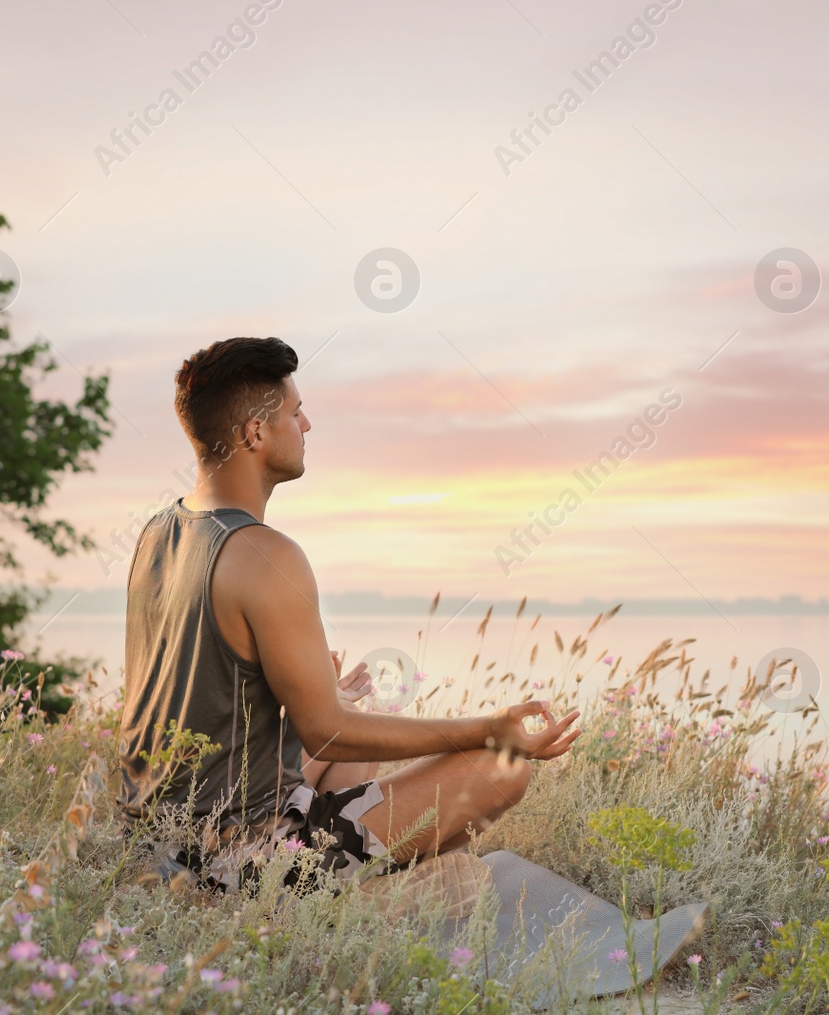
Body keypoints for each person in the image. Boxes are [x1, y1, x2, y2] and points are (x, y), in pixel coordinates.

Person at [118, 336, 581, 889]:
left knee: (354, 755)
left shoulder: (157, 532)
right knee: (501, 769)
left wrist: (315, 700)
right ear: (255, 433)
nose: (307, 424)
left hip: (149, 839)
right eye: (295, 411)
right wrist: (486, 728)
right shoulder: (267, 555)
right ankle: (341, 902)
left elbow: (195, 700)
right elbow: (329, 736)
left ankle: (352, 876)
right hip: (231, 859)